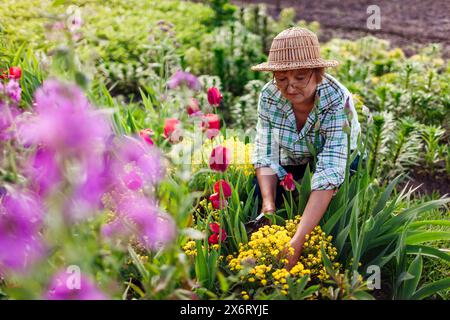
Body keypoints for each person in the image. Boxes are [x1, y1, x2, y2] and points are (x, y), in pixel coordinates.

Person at [250, 27, 361, 269]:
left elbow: (331, 167)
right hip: (294, 154)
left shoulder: (336, 100)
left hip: (340, 155)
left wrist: (298, 241)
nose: (290, 87)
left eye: (300, 78)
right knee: (260, 195)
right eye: (281, 79)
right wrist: (268, 206)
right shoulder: (269, 96)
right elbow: (265, 151)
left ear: (317, 73)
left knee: (335, 206)